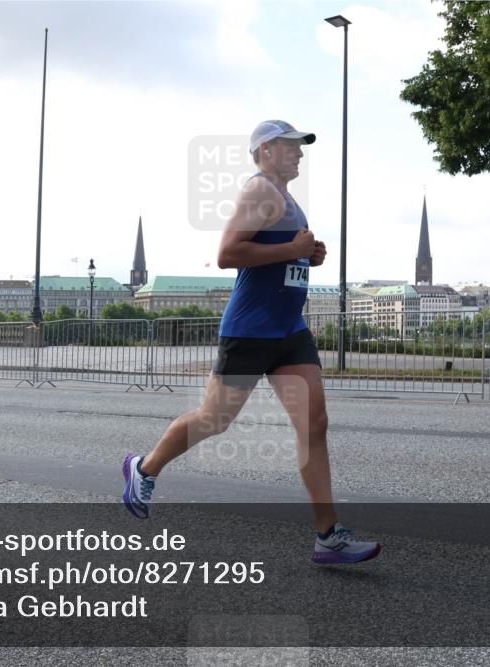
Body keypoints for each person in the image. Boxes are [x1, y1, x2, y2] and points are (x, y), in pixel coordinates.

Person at [122, 120, 381, 565]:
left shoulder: (286, 197)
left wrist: (308, 254)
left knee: (313, 426)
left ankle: (327, 536)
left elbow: (283, 255)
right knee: (213, 420)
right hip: (250, 331)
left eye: (300, 147)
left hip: (289, 332)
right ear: (265, 151)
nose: (299, 153)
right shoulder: (258, 191)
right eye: (290, 146)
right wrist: (289, 250)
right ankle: (143, 468)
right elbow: (228, 254)